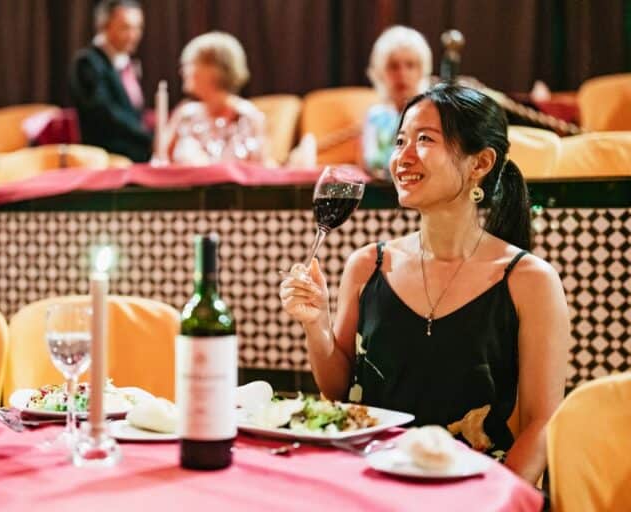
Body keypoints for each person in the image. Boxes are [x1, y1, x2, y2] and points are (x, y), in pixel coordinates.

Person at [280, 84, 569, 485]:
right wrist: (316, 325)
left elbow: (542, 422)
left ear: (480, 163)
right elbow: (339, 392)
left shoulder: (530, 280)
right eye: (400, 141)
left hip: (474, 490)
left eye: (424, 139)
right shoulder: (368, 265)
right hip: (371, 481)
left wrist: (500, 501)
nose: (403, 156)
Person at [164, 32, 268, 166]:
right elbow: (162, 164)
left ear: (215, 69)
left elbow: (263, 168)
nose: (183, 71)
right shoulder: (185, 115)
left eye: (191, 63)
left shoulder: (248, 116)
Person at [70, 0, 152, 162]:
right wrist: (149, 138)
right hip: (106, 154)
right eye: (126, 27)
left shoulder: (125, 62)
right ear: (104, 27)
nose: (133, 35)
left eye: (138, 28)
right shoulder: (87, 63)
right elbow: (105, 114)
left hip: (134, 146)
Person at [361, 26, 432, 178]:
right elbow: (368, 164)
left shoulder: (432, 114)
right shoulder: (375, 116)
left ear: (422, 71)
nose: (402, 74)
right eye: (393, 66)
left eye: (410, 65)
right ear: (380, 72)